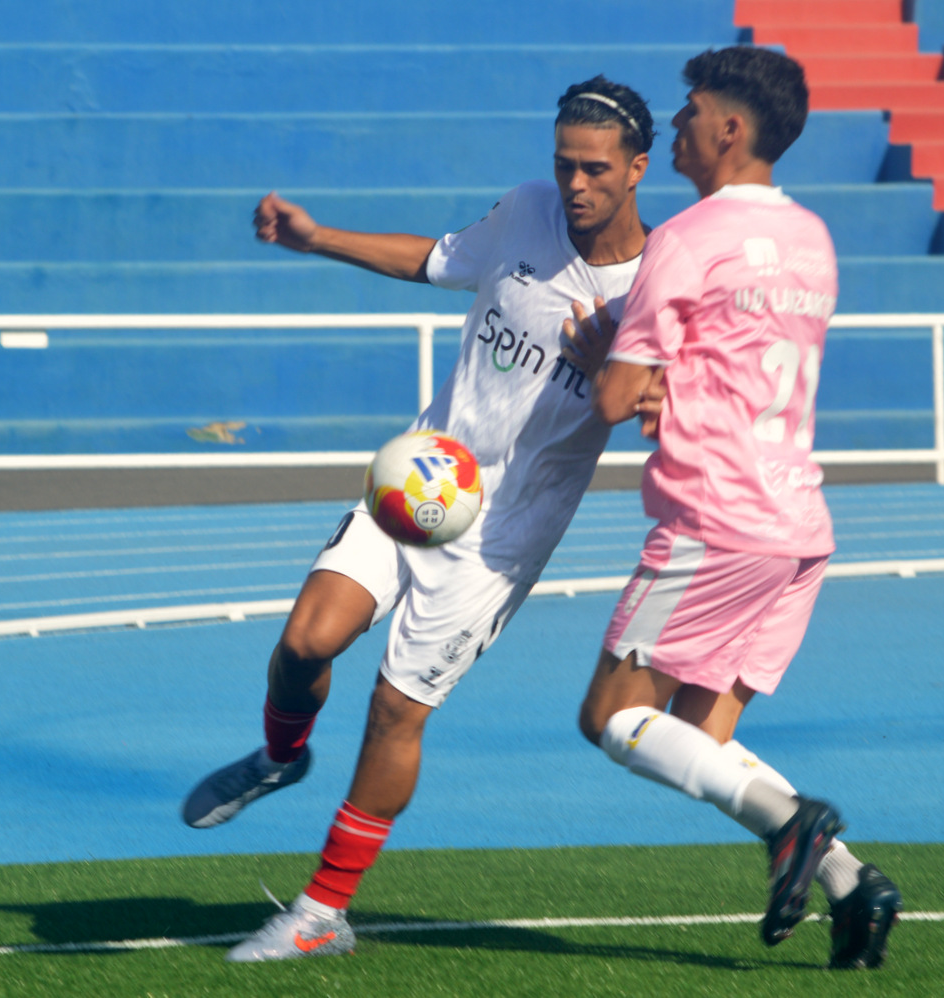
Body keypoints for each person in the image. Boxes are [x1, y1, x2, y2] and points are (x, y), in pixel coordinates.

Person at [181, 75, 658, 962]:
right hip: (421, 481)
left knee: (396, 712)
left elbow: (661, 407)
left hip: (501, 541)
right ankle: (281, 757)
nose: (575, 185)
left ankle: (321, 915)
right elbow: (434, 259)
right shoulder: (522, 213)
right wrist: (318, 238)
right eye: (564, 165)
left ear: (637, 168)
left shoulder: (659, 288)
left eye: (595, 168)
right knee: (303, 644)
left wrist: (615, 376)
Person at [575, 47, 903, 971]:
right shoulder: (813, 240)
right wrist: (654, 373)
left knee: (612, 717)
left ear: (731, 127)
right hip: (797, 524)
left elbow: (611, 399)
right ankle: (852, 882)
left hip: (716, 519)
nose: (674, 126)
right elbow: (725, 361)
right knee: (699, 740)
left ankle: (796, 824)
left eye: (689, 112)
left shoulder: (687, 237)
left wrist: (604, 353)